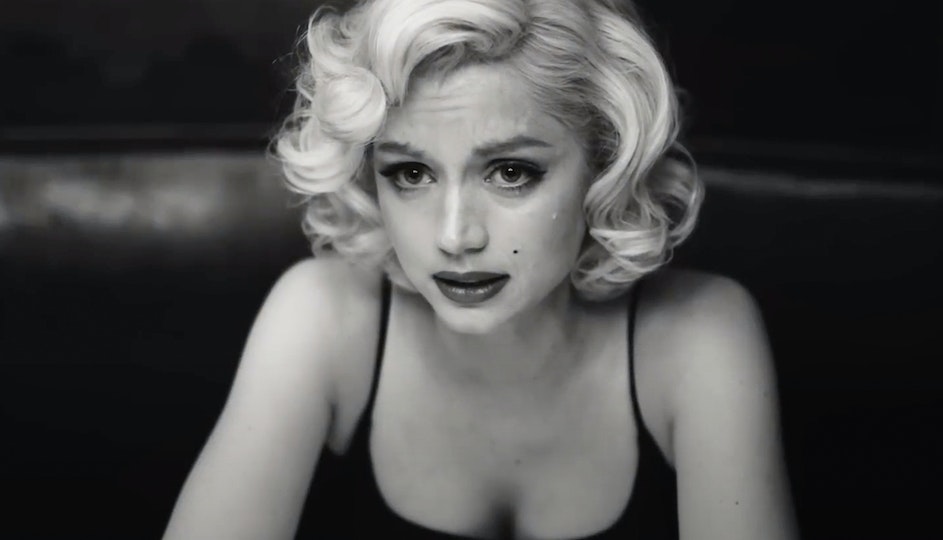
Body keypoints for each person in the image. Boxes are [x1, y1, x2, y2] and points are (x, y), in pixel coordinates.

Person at [163, 0, 799, 538]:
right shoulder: (322, 316)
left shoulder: (698, 337)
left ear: (604, 165)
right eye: (410, 173)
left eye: (511, 172)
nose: (454, 236)